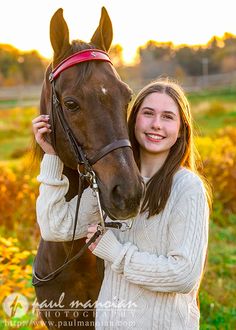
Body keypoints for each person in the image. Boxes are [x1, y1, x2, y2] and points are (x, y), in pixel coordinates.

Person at [33, 78, 211, 329]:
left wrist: (115, 253)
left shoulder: (187, 188)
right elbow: (55, 227)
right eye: (148, 113)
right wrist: (51, 156)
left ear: (182, 128)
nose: (156, 125)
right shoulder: (115, 188)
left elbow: (184, 275)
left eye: (168, 117)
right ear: (132, 119)